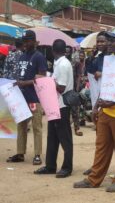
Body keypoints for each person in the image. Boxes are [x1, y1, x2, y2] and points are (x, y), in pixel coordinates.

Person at [73, 28, 115, 192]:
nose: (109, 43)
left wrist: (109, 102)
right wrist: (97, 105)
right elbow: (105, 85)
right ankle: (94, 178)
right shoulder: (109, 60)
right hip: (105, 110)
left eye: (113, 40)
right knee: (101, 146)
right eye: (109, 40)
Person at [34, 39, 74, 178]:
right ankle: (50, 166)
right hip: (54, 105)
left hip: (62, 106)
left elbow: (61, 88)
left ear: (52, 50)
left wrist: (48, 78)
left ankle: (67, 168)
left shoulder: (63, 65)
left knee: (64, 138)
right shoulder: (59, 63)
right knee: (52, 137)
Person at [6, 30, 47, 165]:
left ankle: (37, 155)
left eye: (28, 41)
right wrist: (16, 83)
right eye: (24, 41)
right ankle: (20, 153)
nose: (25, 43)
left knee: (36, 127)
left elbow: (42, 77)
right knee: (21, 126)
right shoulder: (22, 56)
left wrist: (26, 83)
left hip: (34, 98)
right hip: (21, 97)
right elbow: (20, 74)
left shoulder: (39, 56)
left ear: (34, 41)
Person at [82, 31, 109, 176]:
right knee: (100, 139)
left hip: (108, 103)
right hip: (97, 101)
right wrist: (91, 56)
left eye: (103, 41)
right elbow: (90, 72)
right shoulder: (98, 58)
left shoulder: (112, 58)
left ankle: (107, 169)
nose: (100, 44)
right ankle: (97, 167)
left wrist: (103, 74)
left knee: (107, 140)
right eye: (98, 41)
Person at [68, 50, 85, 136]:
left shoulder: (76, 63)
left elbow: (78, 76)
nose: (67, 52)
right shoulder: (62, 62)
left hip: (74, 88)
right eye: (65, 51)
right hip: (65, 89)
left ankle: (76, 129)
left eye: (68, 51)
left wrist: (77, 88)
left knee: (75, 110)